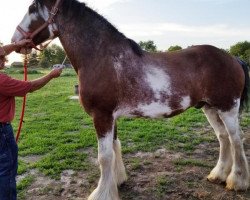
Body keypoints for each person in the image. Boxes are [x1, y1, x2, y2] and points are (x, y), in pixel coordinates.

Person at [0, 39, 62, 200]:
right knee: (6, 171)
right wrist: (51, 75)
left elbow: (3, 51)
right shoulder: (2, 81)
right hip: (2, 132)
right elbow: (29, 87)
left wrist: (16, 45)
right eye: (1, 58)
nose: (4, 59)